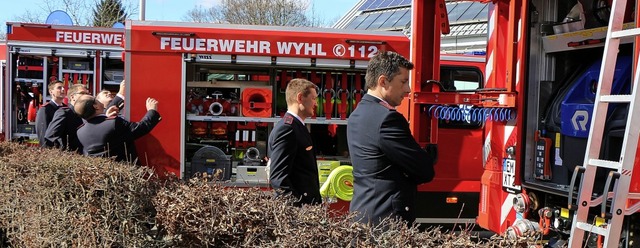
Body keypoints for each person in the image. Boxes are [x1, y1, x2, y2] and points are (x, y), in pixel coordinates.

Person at [347, 51, 437, 226]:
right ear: (383, 81)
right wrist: (427, 157)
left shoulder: (358, 113)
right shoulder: (388, 119)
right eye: (403, 81)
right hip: (386, 221)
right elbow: (424, 170)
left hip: (364, 214)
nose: (408, 89)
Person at [268, 78, 321, 206]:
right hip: (299, 212)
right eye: (313, 98)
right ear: (300, 98)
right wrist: (298, 208)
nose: (316, 104)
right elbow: (278, 179)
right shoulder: (287, 129)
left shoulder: (296, 127)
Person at [74, 95, 161, 163]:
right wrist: (152, 111)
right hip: (126, 175)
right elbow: (141, 128)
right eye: (95, 99)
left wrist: (106, 117)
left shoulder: (80, 131)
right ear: (96, 106)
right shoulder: (114, 123)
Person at [44, 84, 90, 152]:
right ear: (72, 97)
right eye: (82, 93)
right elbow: (50, 136)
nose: (86, 96)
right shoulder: (65, 113)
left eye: (87, 93)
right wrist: (62, 153)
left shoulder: (86, 114)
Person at [35, 81, 66, 147]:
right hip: (53, 150)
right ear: (51, 92)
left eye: (63, 88)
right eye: (59, 88)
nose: (63, 89)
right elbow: (42, 133)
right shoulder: (45, 109)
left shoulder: (66, 108)